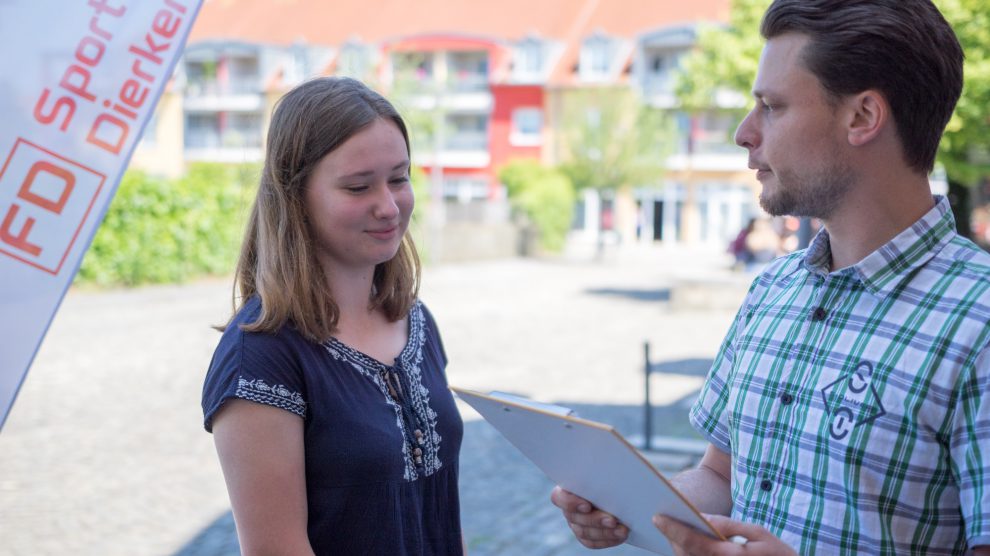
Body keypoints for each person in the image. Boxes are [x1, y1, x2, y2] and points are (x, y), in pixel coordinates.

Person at [553, 0, 990, 554]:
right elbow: (721, 479)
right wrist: (629, 501)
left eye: (771, 106)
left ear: (862, 117)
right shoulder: (773, 290)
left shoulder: (980, 320)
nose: (744, 132)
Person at [201, 77, 464, 555]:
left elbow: (441, 514)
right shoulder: (261, 355)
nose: (388, 206)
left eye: (400, 178)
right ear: (295, 196)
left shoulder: (416, 322)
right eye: (358, 186)